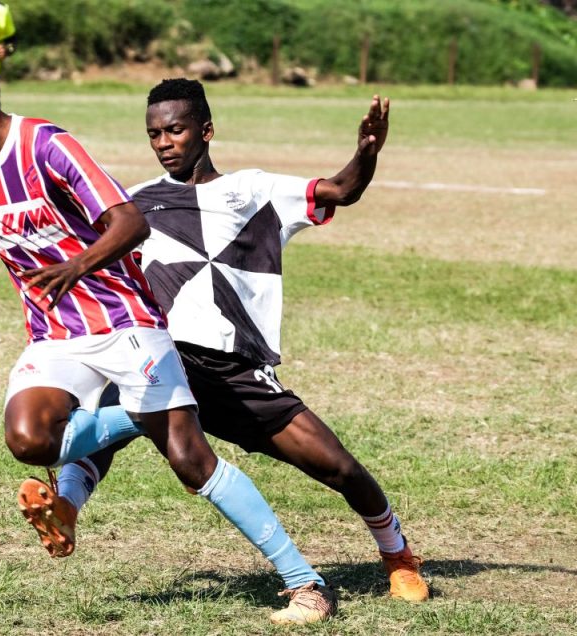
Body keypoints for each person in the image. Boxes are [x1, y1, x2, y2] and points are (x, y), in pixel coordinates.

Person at [0, 41, 336, 625]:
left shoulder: (46, 146)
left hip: (125, 321)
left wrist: (75, 266)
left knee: (191, 461)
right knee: (29, 439)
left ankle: (306, 582)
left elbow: (129, 222)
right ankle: (140, 416)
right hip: (55, 332)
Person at [39, 78, 430, 604]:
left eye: (175, 130)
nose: (163, 143)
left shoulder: (255, 190)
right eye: (154, 134)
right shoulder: (135, 204)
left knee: (337, 465)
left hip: (235, 371)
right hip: (164, 355)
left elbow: (341, 190)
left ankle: (398, 555)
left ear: (206, 130)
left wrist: (366, 152)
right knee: (121, 401)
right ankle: (65, 505)